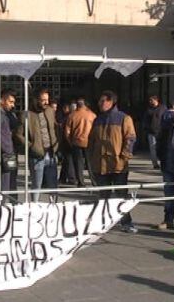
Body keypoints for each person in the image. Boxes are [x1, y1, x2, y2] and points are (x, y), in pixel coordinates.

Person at [88, 90, 137, 233]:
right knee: (103, 196)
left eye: (103, 101)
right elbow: (92, 140)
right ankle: (102, 222)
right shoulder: (98, 120)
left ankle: (126, 222)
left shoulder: (123, 118)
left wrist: (124, 157)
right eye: (100, 101)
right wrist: (91, 156)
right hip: (100, 164)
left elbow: (130, 138)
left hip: (118, 165)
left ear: (111, 102)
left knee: (121, 195)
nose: (100, 103)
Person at [15, 88, 59, 202]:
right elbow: (18, 135)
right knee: (36, 184)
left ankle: (54, 206)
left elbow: (55, 128)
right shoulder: (26, 114)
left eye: (47, 100)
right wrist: (31, 146)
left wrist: (57, 144)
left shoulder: (50, 111)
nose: (46, 102)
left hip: (51, 152)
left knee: (53, 184)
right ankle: (34, 206)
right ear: (36, 100)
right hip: (36, 154)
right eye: (43, 100)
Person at [155, 101, 174, 230]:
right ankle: (168, 219)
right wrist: (161, 156)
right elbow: (161, 140)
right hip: (168, 162)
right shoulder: (169, 124)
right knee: (169, 194)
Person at [0, 89, 19, 204]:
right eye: (10, 102)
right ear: (2, 100)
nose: (13, 105)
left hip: (7, 155)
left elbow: (14, 125)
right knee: (1, 186)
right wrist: (7, 149)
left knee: (9, 184)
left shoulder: (6, 114)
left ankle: (5, 206)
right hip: (1, 156)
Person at [63, 98, 96, 188]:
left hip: (76, 142)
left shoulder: (72, 115)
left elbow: (67, 131)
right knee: (91, 163)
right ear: (85, 105)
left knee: (78, 163)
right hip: (89, 142)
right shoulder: (92, 115)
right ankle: (94, 181)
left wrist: (70, 141)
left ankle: (81, 182)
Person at [143, 96, 166, 170]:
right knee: (153, 148)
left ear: (156, 100)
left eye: (151, 100)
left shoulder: (162, 108)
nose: (150, 102)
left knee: (161, 147)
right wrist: (146, 128)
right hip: (151, 131)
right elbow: (145, 120)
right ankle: (155, 163)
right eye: (149, 100)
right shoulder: (148, 110)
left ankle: (162, 162)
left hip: (161, 131)